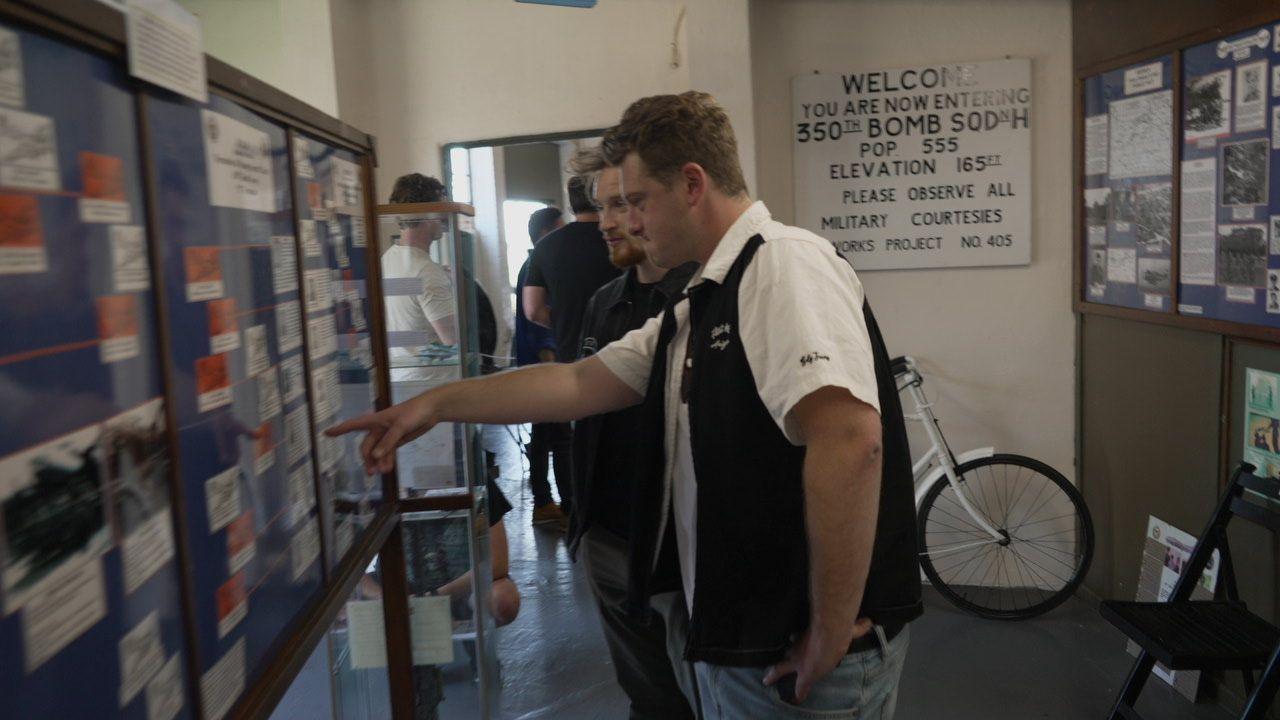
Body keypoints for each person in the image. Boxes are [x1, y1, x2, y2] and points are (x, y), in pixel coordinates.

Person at [330, 92, 922, 719]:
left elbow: (852, 441)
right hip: (747, 639)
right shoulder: (704, 297)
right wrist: (434, 405)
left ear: (692, 184)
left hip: (794, 650)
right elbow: (578, 384)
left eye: (637, 201)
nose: (629, 223)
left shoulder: (781, 265)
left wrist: (829, 630)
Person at [567, 147, 699, 718]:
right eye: (603, 207)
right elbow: (578, 397)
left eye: (624, 203)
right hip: (611, 537)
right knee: (648, 695)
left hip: (683, 545)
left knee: (707, 692)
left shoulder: (711, 299)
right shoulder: (605, 303)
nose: (608, 223)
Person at [521, 168, 621, 517]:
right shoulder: (619, 237)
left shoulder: (546, 248)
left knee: (574, 440)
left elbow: (532, 309)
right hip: (623, 352)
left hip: (570, 356)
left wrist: (563, 320)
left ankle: (580, 509)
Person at [515, 207, 571, 530]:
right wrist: (552, 364)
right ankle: (557, 503)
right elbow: (536, 319)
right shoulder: (537, 265)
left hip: (538, 366)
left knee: (544, 435)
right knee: (559, 437)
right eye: (561, 229)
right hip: (544, 365)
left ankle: (547, 501)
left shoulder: (534, 264)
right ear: (548, 232)